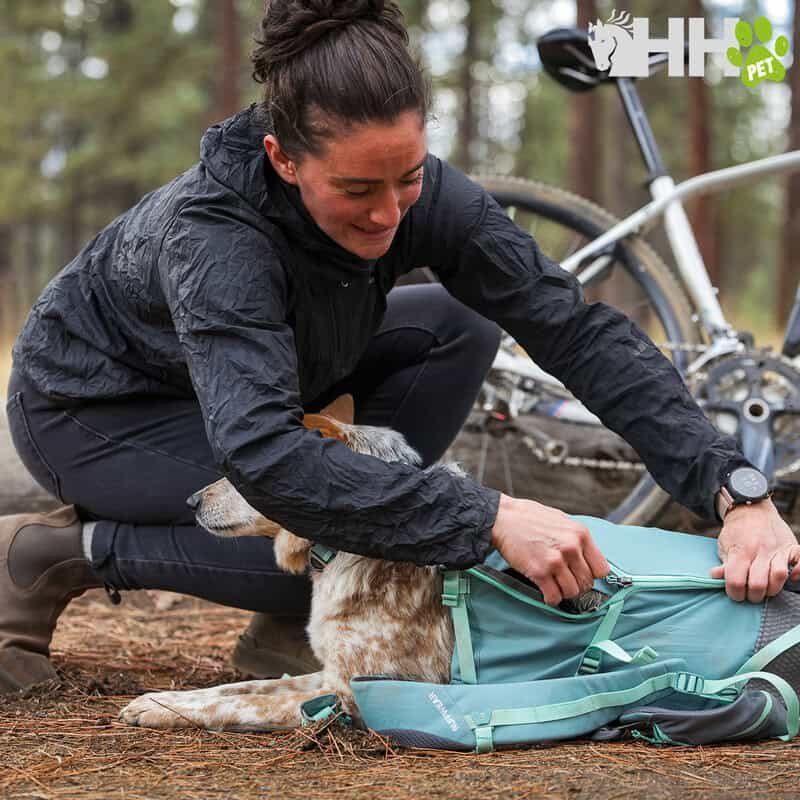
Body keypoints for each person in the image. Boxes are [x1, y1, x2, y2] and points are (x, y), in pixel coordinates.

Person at [1, 0, 798, 694]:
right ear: (282, 159)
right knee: (326, 527)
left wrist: (734, 488)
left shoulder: (419, 193)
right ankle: (56, 553)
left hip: (273, 379)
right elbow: (268, 459)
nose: (388, 215)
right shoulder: (217, 238)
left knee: (460, 323)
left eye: (408, 178)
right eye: (355, 190)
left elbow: (576, 330)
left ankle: (293, 616)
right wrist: (485, 514)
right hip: (98, 407)